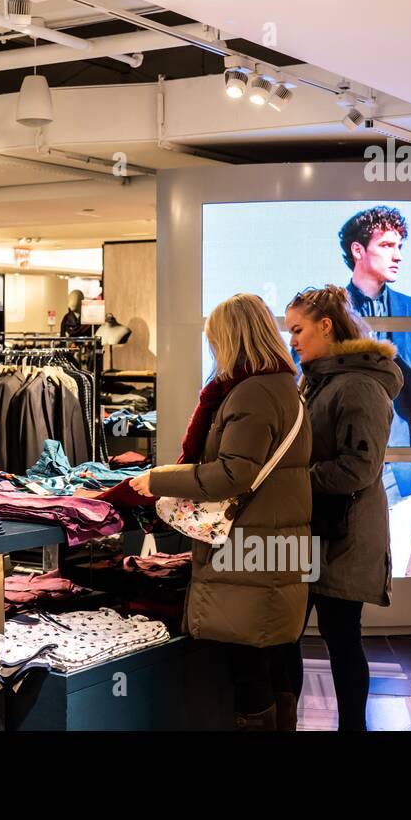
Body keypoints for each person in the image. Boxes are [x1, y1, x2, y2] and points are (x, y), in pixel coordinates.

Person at [129, 293, 311, 731]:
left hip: (249, 544)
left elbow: (233, 474)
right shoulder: (283, 385)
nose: (214, 350)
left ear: (231, 339)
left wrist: (158, 480)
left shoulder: (252, 392)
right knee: (276, 649)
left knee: (248, 656)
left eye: (215, 340)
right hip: (277, 539)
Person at [285, 285, 401, 731]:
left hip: (344, 536)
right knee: (288, 638)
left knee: (342, 640)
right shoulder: (319, 379)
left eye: (298, 329)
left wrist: (291, 482)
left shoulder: (357, 385)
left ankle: (352, 728)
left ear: (326, 326)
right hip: (316, 531)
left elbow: (359, 468)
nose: (292, 340)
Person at [339, 205, 411, 532]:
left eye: (399, 246)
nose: (398, 255)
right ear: (358, 250)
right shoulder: (327, 309)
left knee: (396, 573)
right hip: (343, 471)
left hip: (403, 473)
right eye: (387, 245)